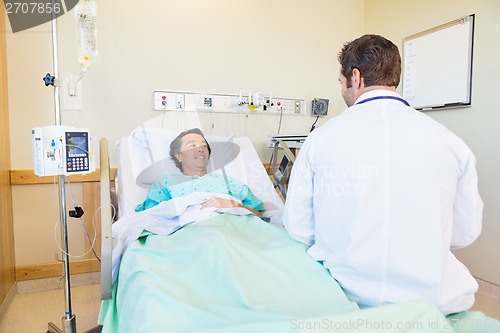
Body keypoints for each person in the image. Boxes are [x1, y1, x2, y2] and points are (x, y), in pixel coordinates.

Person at [283, 34, 483, 315]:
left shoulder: (321, 140)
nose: (343, 91)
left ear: (356, 77)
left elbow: (299, 229)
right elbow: (464, 234)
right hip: (431, 302)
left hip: (346, 297)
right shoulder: (450, 142)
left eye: (341, 84)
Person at [135, 128, 264, 217]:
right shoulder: (166, 184)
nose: (200, 149)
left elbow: (259, 215)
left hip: (233, 231)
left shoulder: (230, 183)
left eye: (203, 145)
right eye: (192, 146)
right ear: (179, 156)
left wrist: (234, 205)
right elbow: (150, 217)